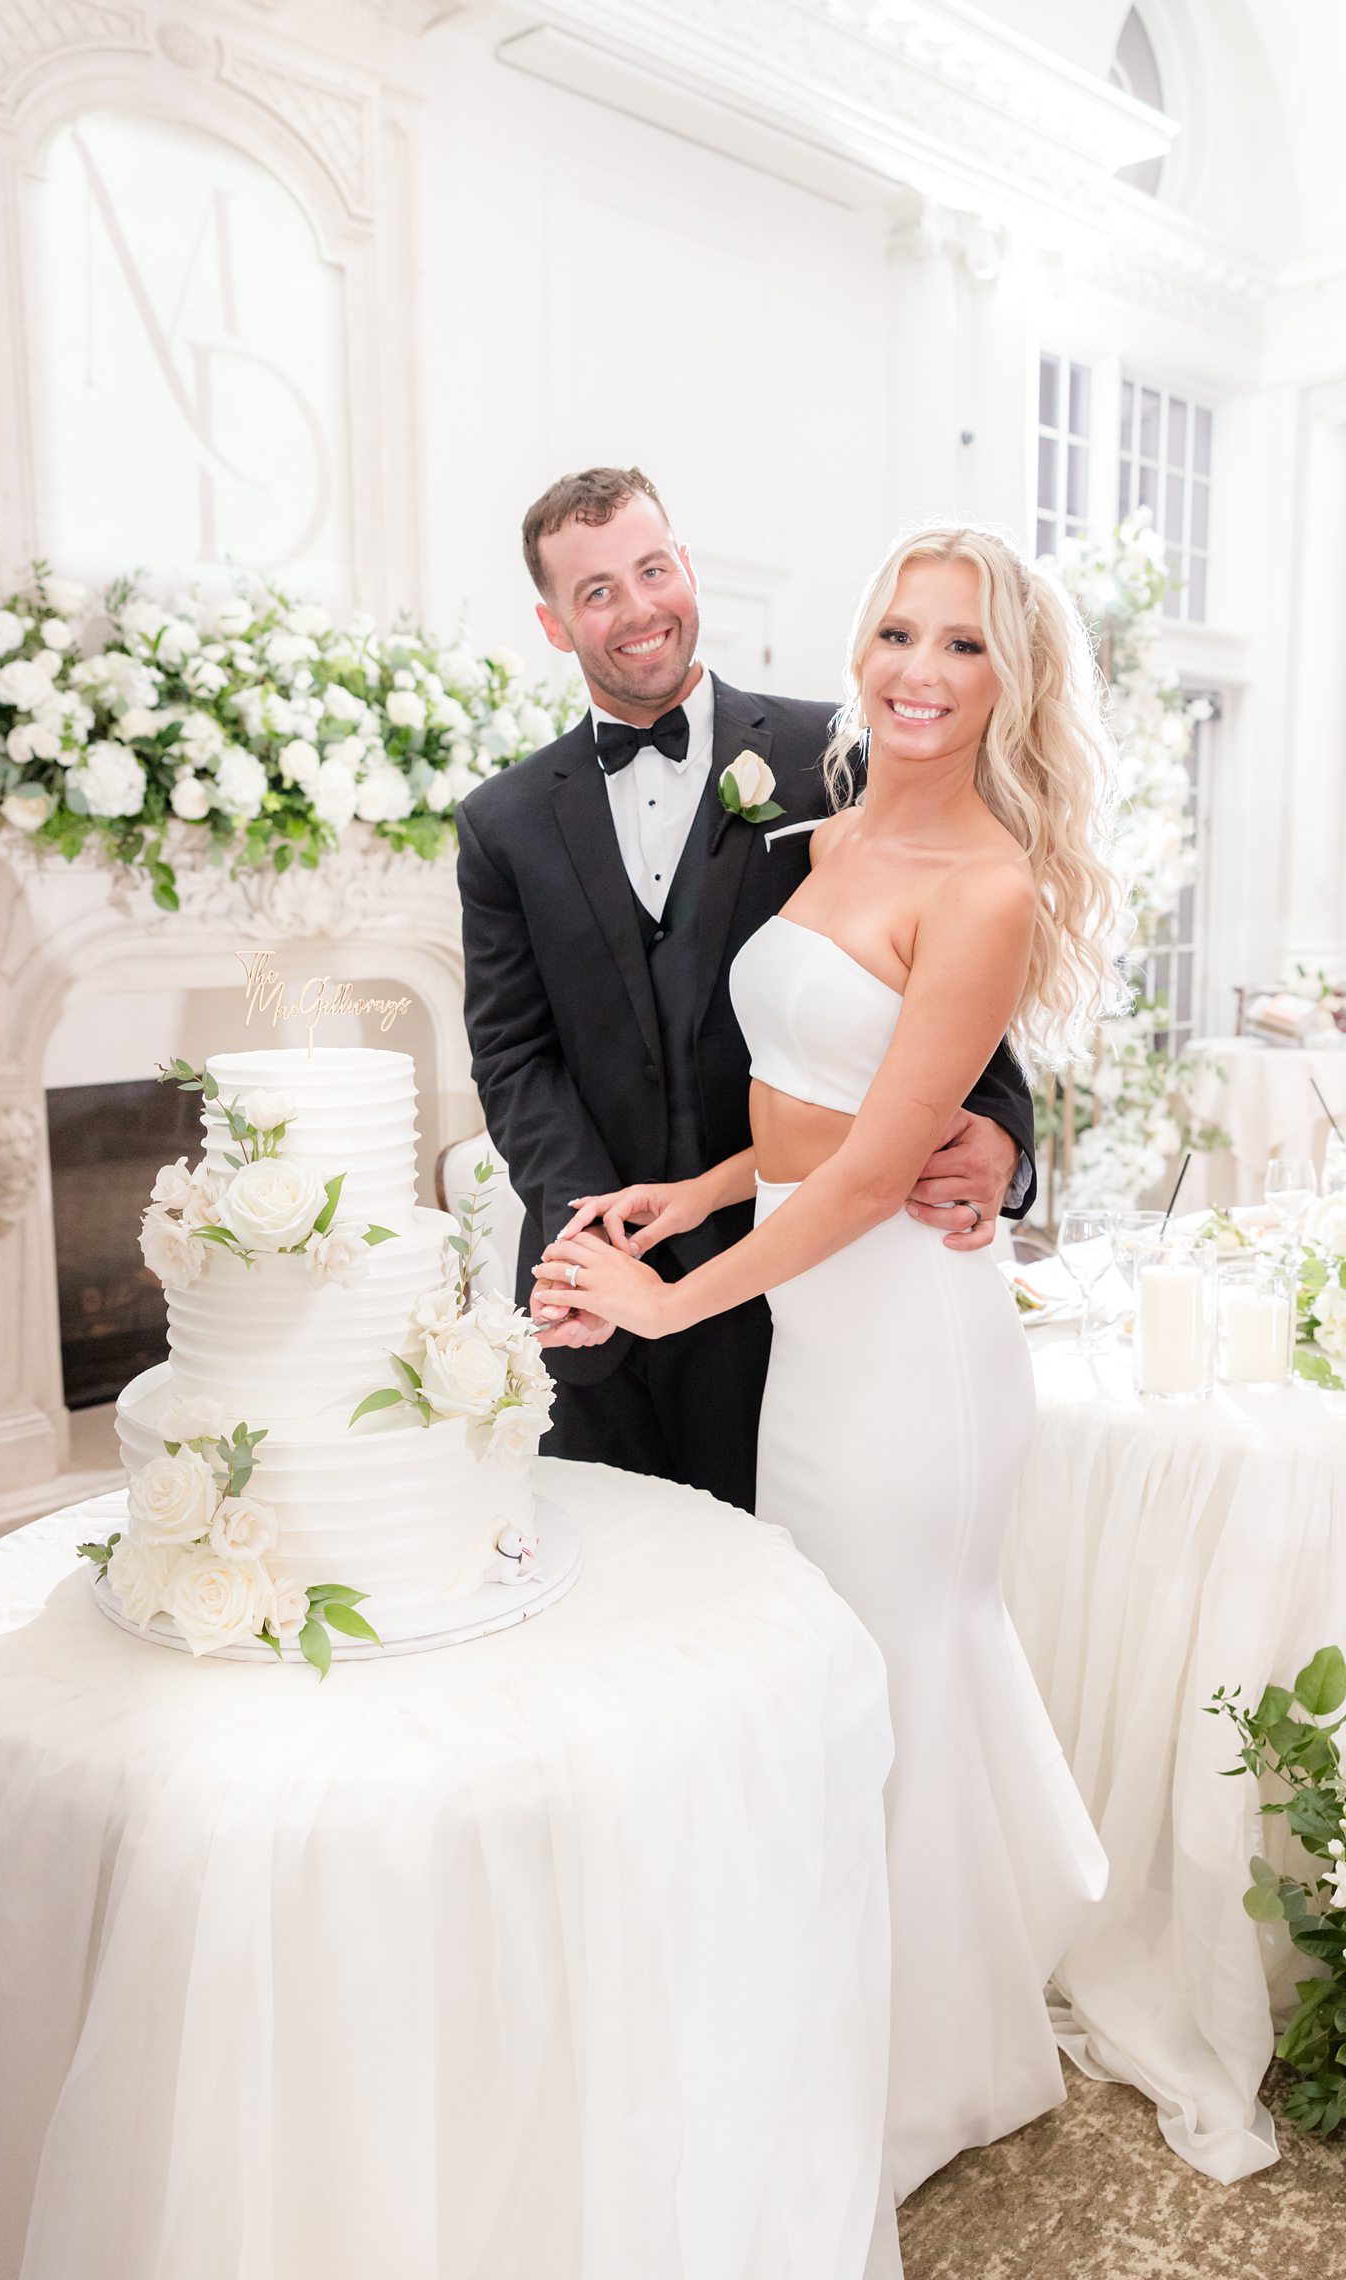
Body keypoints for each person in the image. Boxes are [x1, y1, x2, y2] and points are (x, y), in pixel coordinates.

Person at [535, 525, 1117, 2203]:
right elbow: (808, 1115)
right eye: (899, 634)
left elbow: (880, 1172)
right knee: (853, 1689)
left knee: (903, 1687)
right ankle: (862, 2012)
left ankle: (923, 2077)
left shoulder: (990, 886)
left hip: (915, 1354)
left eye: (966, 647)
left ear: (1016, 684)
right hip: (820, 1344)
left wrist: (667, 1300)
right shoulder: (830, 826)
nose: (920, 674)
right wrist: (691, 1195)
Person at [455, 468, 1036, 1513]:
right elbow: (510, 1054)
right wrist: (589, 1244)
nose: (635, 609)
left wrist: (997, 1127)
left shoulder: (846, 755)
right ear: (554, 624)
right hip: (605, 1297)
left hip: (813, 1284)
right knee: (620, 1608)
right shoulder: (502, 823)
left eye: (650, 568)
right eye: (595, 592)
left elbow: (951, 985)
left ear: (685, 566)